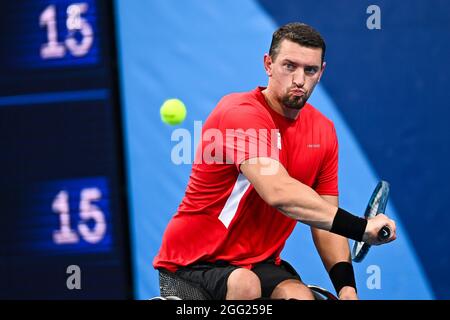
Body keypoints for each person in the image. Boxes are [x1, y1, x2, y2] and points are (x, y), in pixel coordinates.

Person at [153, 22, 396, 300]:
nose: (299, 79)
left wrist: (347, 289)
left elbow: (325, 219)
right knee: (244, 286)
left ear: (321, 73)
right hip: (191, 264)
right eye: (289, 66)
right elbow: (278, 192)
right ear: (268, 65)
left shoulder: (323, 131)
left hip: (259, 262)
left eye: (310, 70)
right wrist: (362, 228)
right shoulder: (240, 113)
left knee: (300, 297)